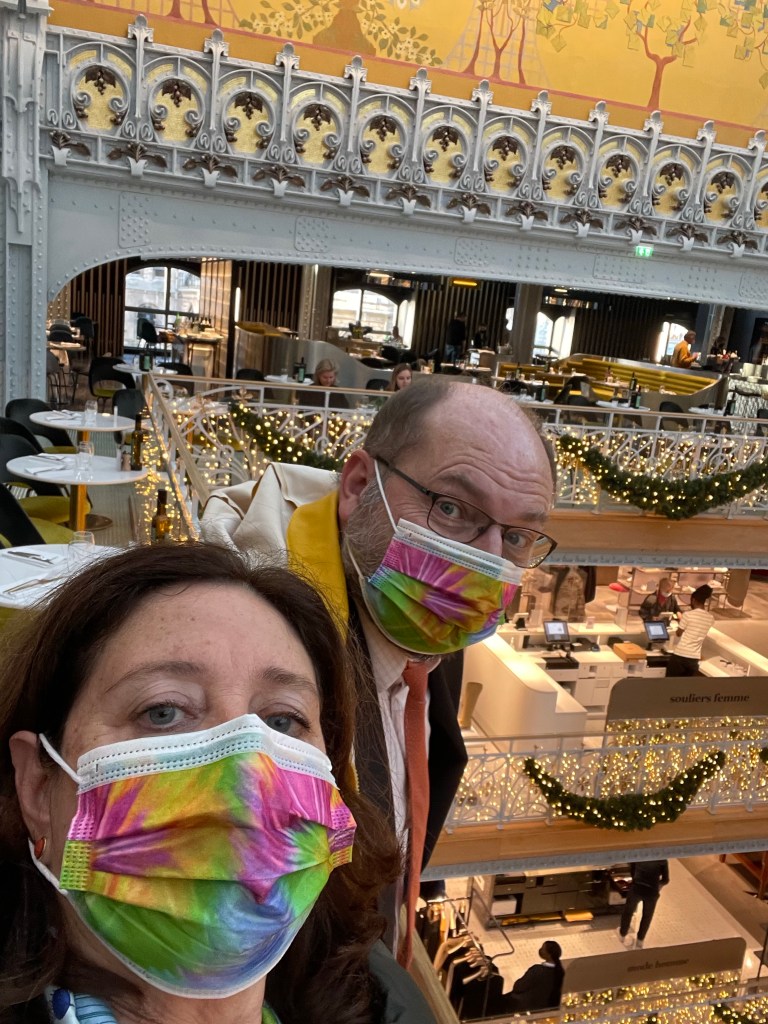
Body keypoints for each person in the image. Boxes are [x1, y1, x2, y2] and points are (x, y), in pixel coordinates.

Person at [1, 543, 436, 1024]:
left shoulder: (390, 1006)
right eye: (163, 712)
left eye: (283, 720)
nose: (246, 782)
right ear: (38, 787)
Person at [200, 379, 556, 955]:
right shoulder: (248, 676)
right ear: (359, 485)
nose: (486, 561)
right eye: (451, 508)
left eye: (516, 536)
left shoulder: (428, 622)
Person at [617, 860, 670, 949]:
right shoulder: (662, 859)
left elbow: (632, 870)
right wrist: (657, 886)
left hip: (637, 888)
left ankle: (622, 934)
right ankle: (640, 940)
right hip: (652, 892)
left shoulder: (640, 854)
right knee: (647, 916)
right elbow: (666, 880)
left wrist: (635, 880)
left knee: (628, 912)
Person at [665, 584, 715, 676]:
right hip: (694, 658)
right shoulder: (711, 618)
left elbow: (678, 633)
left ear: (693, 600)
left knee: (670, 683)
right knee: (687, 684)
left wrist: (680, 623)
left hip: (680, 655)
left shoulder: (688, 615)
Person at [501, 941, 564, 1013]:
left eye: (543, 948)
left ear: (549, 954)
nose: (540, 950)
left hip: (526, 1005)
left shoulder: (537, 970)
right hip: (543, 1006)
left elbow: (519, 987)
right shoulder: (560, 973)